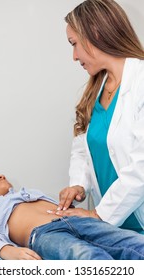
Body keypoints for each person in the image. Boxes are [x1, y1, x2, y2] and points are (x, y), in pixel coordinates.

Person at [53, 0, 144, 234]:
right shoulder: (96, 88)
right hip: (118, 228)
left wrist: (97, 215)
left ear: (94, 33)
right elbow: (83, 147)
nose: (74, 56)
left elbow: (141, 166)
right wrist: (78, 184)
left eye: (74, 44)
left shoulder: (140, 82)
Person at [0, 174, 144, 260]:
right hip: (44, 234)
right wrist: (7, 251)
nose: (0, 175)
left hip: (81, 222)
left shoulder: (25, 193)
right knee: (86, 256)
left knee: (133, 243)